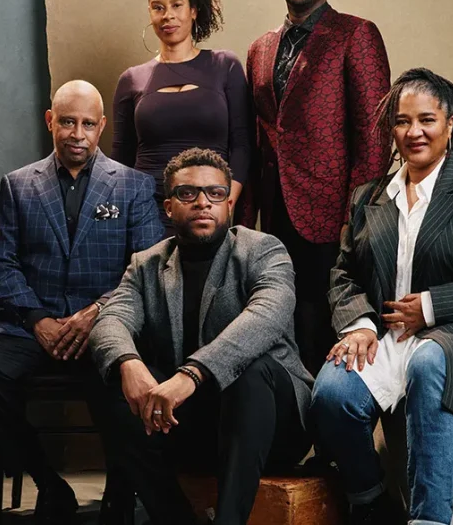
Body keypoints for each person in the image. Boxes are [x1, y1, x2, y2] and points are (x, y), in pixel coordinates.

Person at [309, 69, 453, 524]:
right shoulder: (368, 197)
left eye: (427, 120)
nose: (413, 132)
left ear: (450, 124)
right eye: (401, 121)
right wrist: (359, 325)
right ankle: (370, 499)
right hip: (386, 338)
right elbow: (344, 273)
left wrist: (432, 307)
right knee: (331, 396)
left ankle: (429, 518)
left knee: (430, 361)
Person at [0, 81, 163, 524]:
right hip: (33, 326)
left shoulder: (134, 187)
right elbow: (3, 264)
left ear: (102, 127)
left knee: (128, 372)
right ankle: (48, 483)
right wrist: (38, 320)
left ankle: (121, 490)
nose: (77, 133)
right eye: (67, 121)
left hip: (105, 326)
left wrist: (96, 315)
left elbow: (147, 269)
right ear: (50, 120)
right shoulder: (18, 185)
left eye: (88, 124)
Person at [90, 148, 313, 525]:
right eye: (188, 194)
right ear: (169, 207)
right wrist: (129, 364)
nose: (203, 203)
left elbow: (265, 317)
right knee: (109, 381)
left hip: (272, 424)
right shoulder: (147, 264)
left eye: (215, 193)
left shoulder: (264, 250)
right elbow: (111, 319)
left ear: (229, 203)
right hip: (193, 425)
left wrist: (191, 374)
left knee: (253, 369)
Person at [237, 0, 391, 370]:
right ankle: (290, 428)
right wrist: (246, 218)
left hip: (331, 210)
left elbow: (373, 135)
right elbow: (258, 136)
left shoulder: (355, 34)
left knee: (323, 324)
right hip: (275, 210)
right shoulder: (259, 49)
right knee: (278, 320)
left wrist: (356, 214)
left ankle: (328, 427)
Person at [112, 0, 251, 233]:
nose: (168, 16)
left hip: (209, 207)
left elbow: (243, 146)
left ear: (194, 10)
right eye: (158, 8)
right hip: (147, 212)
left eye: (177, 5)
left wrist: (224, 202)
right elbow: (120, 161)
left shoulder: (225, 66)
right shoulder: (131, 80)